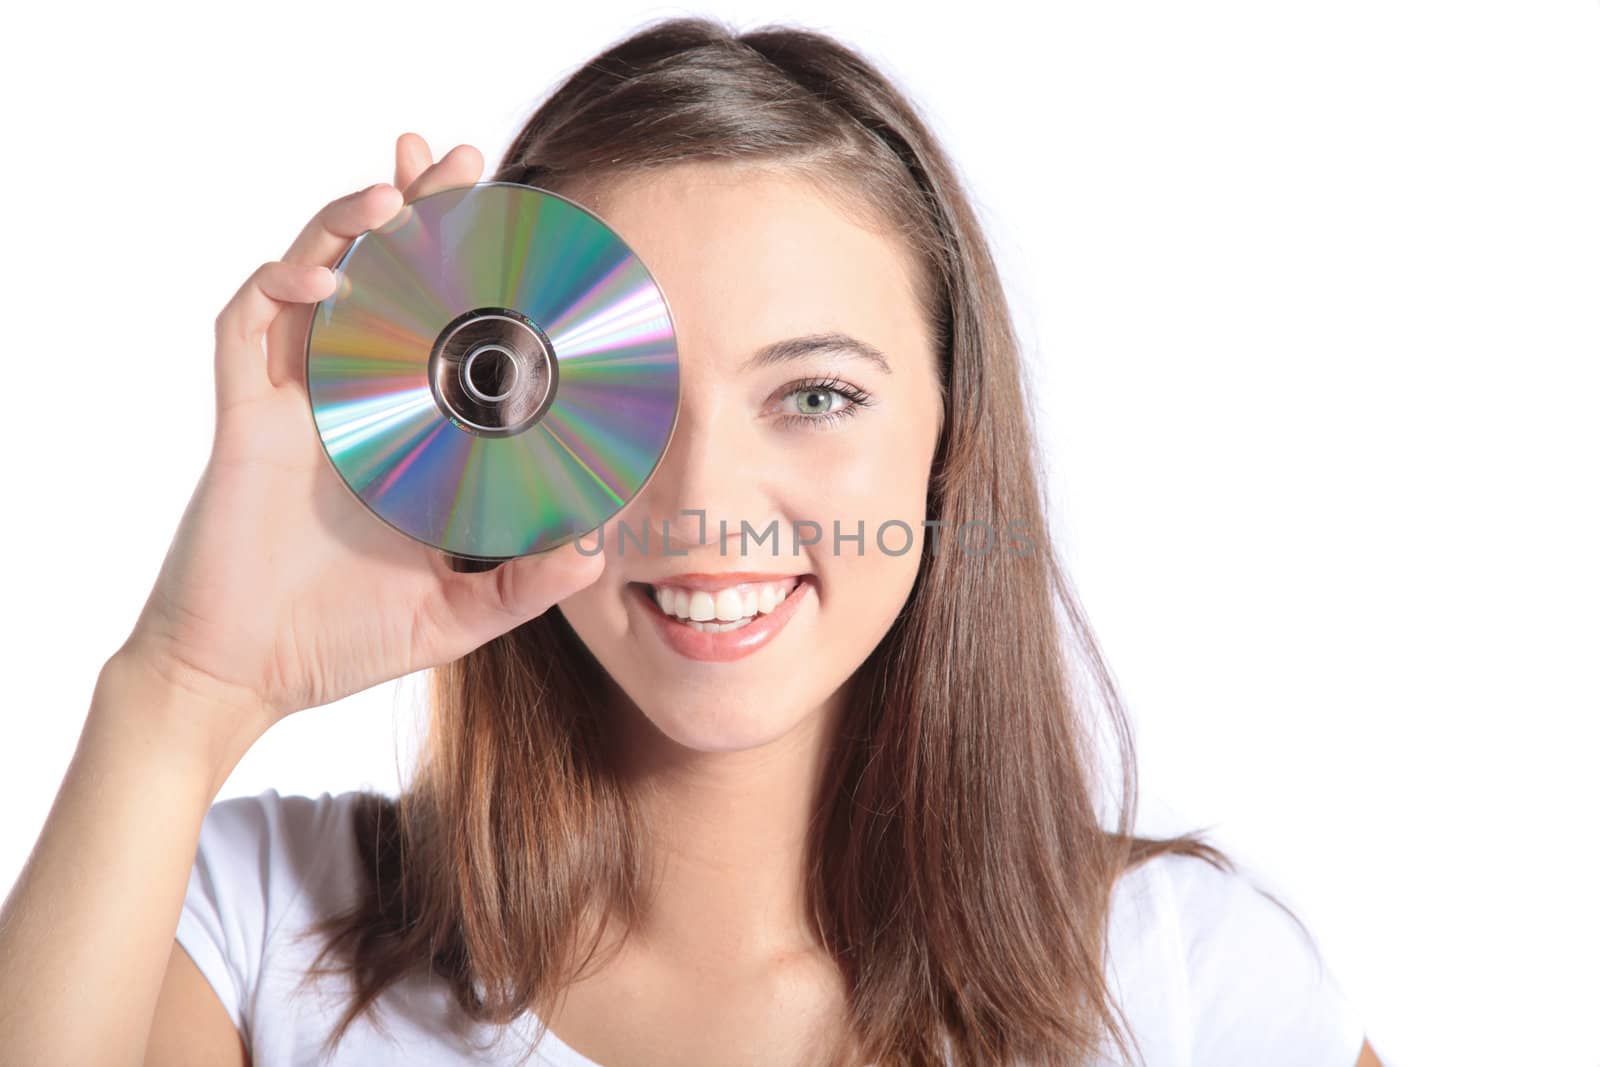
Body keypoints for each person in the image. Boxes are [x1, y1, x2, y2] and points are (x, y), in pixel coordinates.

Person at [0, 16, 1383, 1067]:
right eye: (619, 397)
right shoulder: (260, 928)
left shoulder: (1186, 981)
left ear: (949, 440)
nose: (701, 493)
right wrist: (186, 688)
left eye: (817, 395)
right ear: (496, 426)